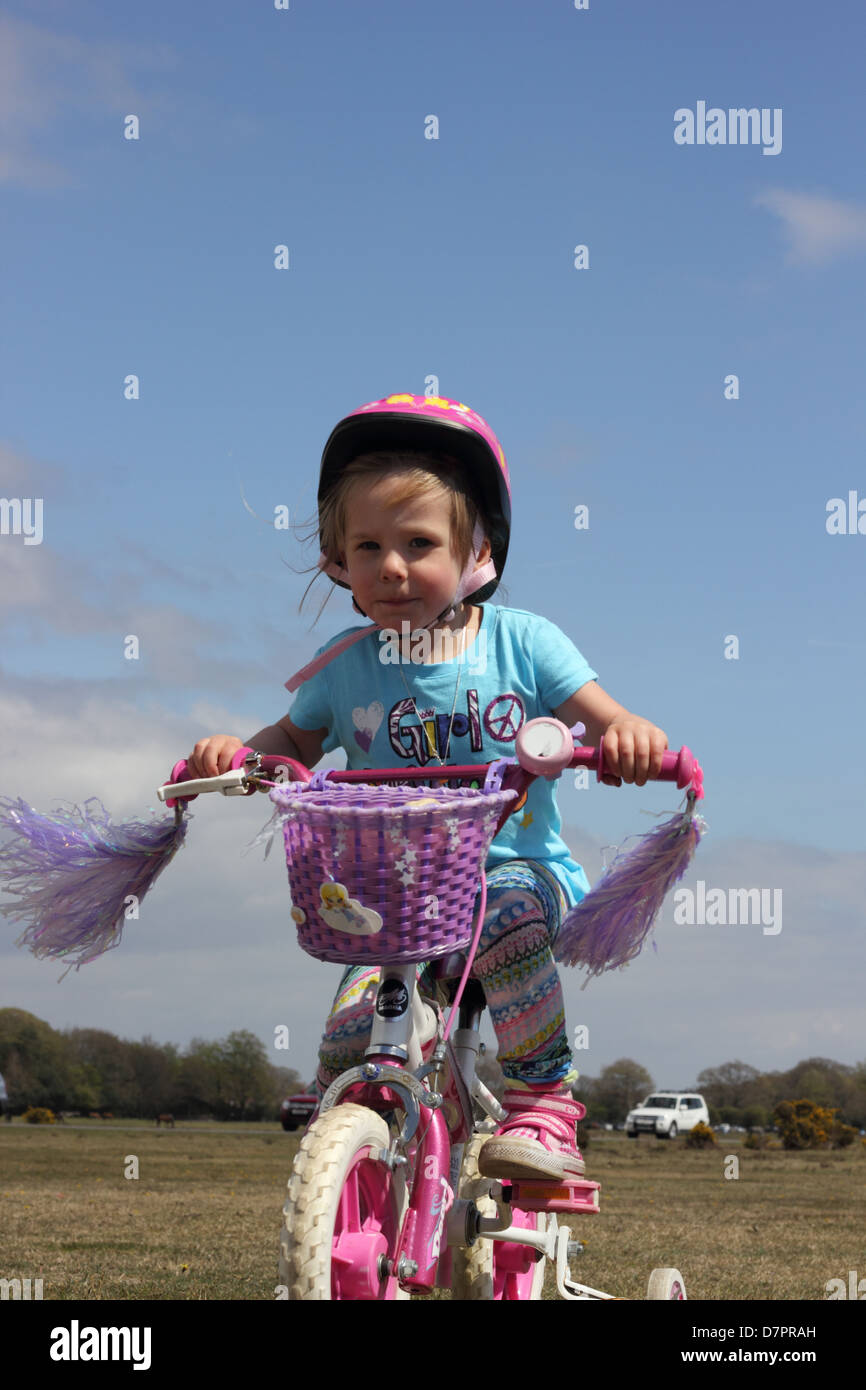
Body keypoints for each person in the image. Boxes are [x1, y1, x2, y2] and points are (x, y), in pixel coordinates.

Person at [187, 392, 668, 1191]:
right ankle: (357, 1136)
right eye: (367, 545)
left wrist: (628, 736)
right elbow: (294, 741)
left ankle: (543, 1100)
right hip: (396, 901)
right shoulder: (346, 665)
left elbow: (606, 716)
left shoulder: (524, 642)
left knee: (509, 914)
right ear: (340, 560)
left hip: (514, 873)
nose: (393, 566)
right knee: (352, 1027)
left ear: (475, 546)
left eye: (419, 542)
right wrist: (238, 753)